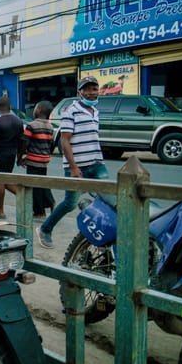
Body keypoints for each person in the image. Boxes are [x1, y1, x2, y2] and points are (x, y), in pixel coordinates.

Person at [36, 76, 107, 249]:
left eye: (94, 89)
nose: (91, 93)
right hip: (77, 166)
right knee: (70, 203)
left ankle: (102, 234)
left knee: (108, 198)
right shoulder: (71, 111)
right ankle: (45, 229)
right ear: (79, 92)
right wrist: (74, 167)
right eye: (87, 89)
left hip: (96, 163)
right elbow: (64, 141)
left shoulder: (95, 111)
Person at [20, 100, 56, 219]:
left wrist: (21, 157)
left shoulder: (31, 125)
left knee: (34, 187)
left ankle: (39, 211)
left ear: (39, 110)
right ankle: (49, 203)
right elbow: (51, 144)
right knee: (41, 183)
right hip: (44, 161)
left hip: (33, 161)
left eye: (35, 107)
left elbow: (24, 142)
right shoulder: (50, 127)